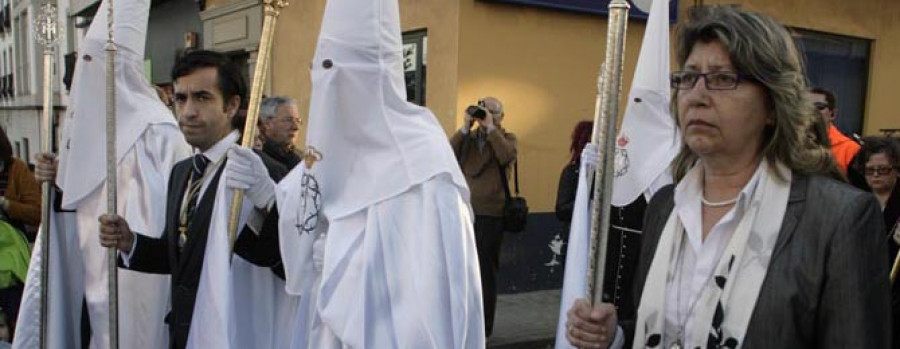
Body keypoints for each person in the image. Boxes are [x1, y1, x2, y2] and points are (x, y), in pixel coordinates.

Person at [566, 6, 890, 348]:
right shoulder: (665, 207)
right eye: (688, 77)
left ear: (772, 103)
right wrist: (615, 336)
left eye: (723, 79)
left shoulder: (838, 218)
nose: (697, 97)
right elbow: (672, 331)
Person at [265, 0, 485, 346]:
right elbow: (305, 199)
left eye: (335, 71)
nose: (326, 87)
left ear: (372, 75)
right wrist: (266, 191)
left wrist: (335, 257)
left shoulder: (424, 169)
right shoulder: (332, 150)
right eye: (318, 71)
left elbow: (427, 307)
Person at [14, 2, 191, 348]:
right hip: (91, 275)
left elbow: (179, 213)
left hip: (143, 277)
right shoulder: (83, 136)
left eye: (98, 65)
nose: (88, 77)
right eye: (85, 64)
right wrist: (54, 181)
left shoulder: (162, 133)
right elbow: (70, 208)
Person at [96, 50, 290, 349]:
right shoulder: (183, 172)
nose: (187, 111)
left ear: (232, 105)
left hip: (235, 335)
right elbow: (181, 256)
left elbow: (284, 260)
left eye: (202, 98)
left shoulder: (259, 172)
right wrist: (131, 242)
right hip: (185, 334)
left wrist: (270, 203)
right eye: (180, 98)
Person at [449, 95, 517, 337]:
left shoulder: (506, 138)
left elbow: (506, 155)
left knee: (485, 273)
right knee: (462, 270)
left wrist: (490, 128)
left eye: (492, 112)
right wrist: (464, 127)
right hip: (465, 212)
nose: (485, 115)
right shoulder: (469, 139)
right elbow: (447, 154)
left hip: (491, 214)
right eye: (483, 111)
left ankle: (484, 328)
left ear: (501, 116)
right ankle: (463, 320)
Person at [0, 127, 39, 339]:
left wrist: (7, 205)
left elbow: (37, 212)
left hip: (12, 268)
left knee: (16, 322)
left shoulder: (17, 169)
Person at [855, 137, 900, 259]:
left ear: (897, 170)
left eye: (883, 170)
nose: (875, 174)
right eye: (870, 170)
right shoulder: (856, 202)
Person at [809, 87, 861, 175]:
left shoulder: (850, 149)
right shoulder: (791, 144)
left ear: (832, 114)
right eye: (805, 106)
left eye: (819, 107)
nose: (811, 111)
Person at [258, 96, 303, 170]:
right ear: (268, 123)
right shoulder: (258, 159)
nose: (296, 127)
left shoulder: (300, 159)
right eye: (288, 120)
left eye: (298, 120)